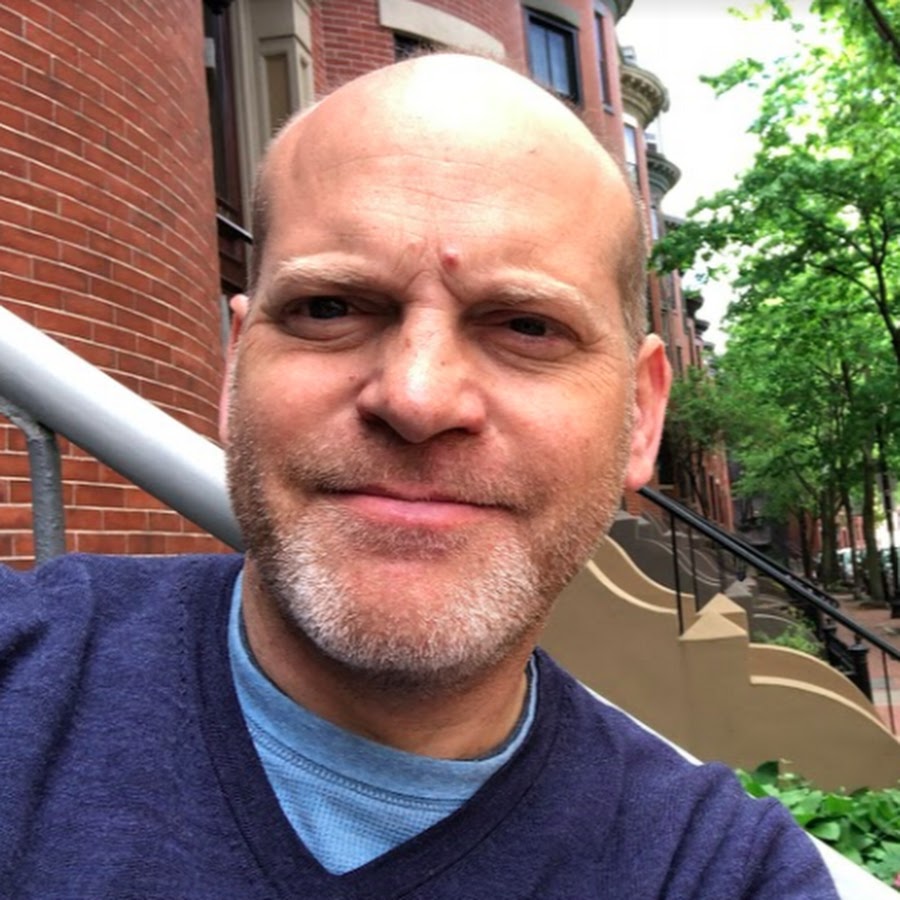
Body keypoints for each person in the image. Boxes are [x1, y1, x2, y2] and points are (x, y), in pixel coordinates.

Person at [0, 53, 886, 898]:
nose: (417, 398)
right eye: (329, 307)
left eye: (527, 326)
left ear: (641, 415)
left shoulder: (718, 872)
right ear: (235, 373)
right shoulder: (22, 677)